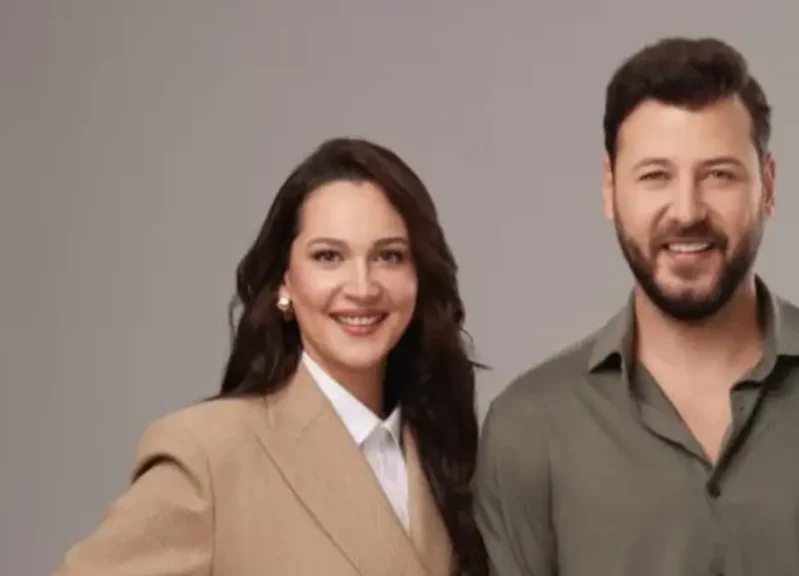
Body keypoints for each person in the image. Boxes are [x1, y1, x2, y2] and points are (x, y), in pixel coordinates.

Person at [474, 36, 799, 576]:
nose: (687, 210)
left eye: (718, 174)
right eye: (655, 176)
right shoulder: (530, 428)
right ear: (610, 189)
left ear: (766, 185)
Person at [52, 137, 489, 576]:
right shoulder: (211, 454)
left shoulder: (446, 449)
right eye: (329, 256)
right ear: (285, 281)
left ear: (419, 275)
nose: (362, 286)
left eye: (389, 256)